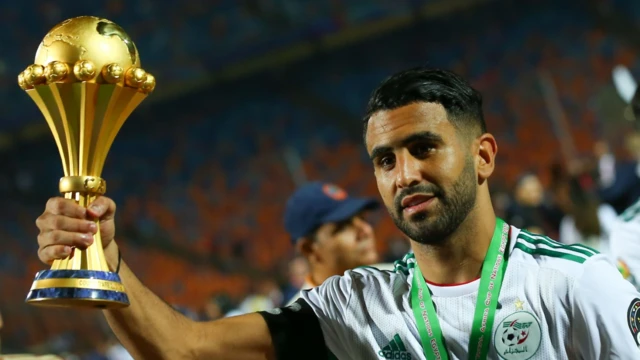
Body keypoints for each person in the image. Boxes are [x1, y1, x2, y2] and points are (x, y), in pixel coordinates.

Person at [35, 67, 640, 359]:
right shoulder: (353, 306)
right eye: (384, 161)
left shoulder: (576, 284)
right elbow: (181, 349)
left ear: (483, 156)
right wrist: (104, 256)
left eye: (424, 148)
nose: (404, 175)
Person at [283, 181, 394, 304]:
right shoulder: (297, 319)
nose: (366, 230)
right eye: (343, 226)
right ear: (309, 248)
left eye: (362, 218)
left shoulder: (398, 278)